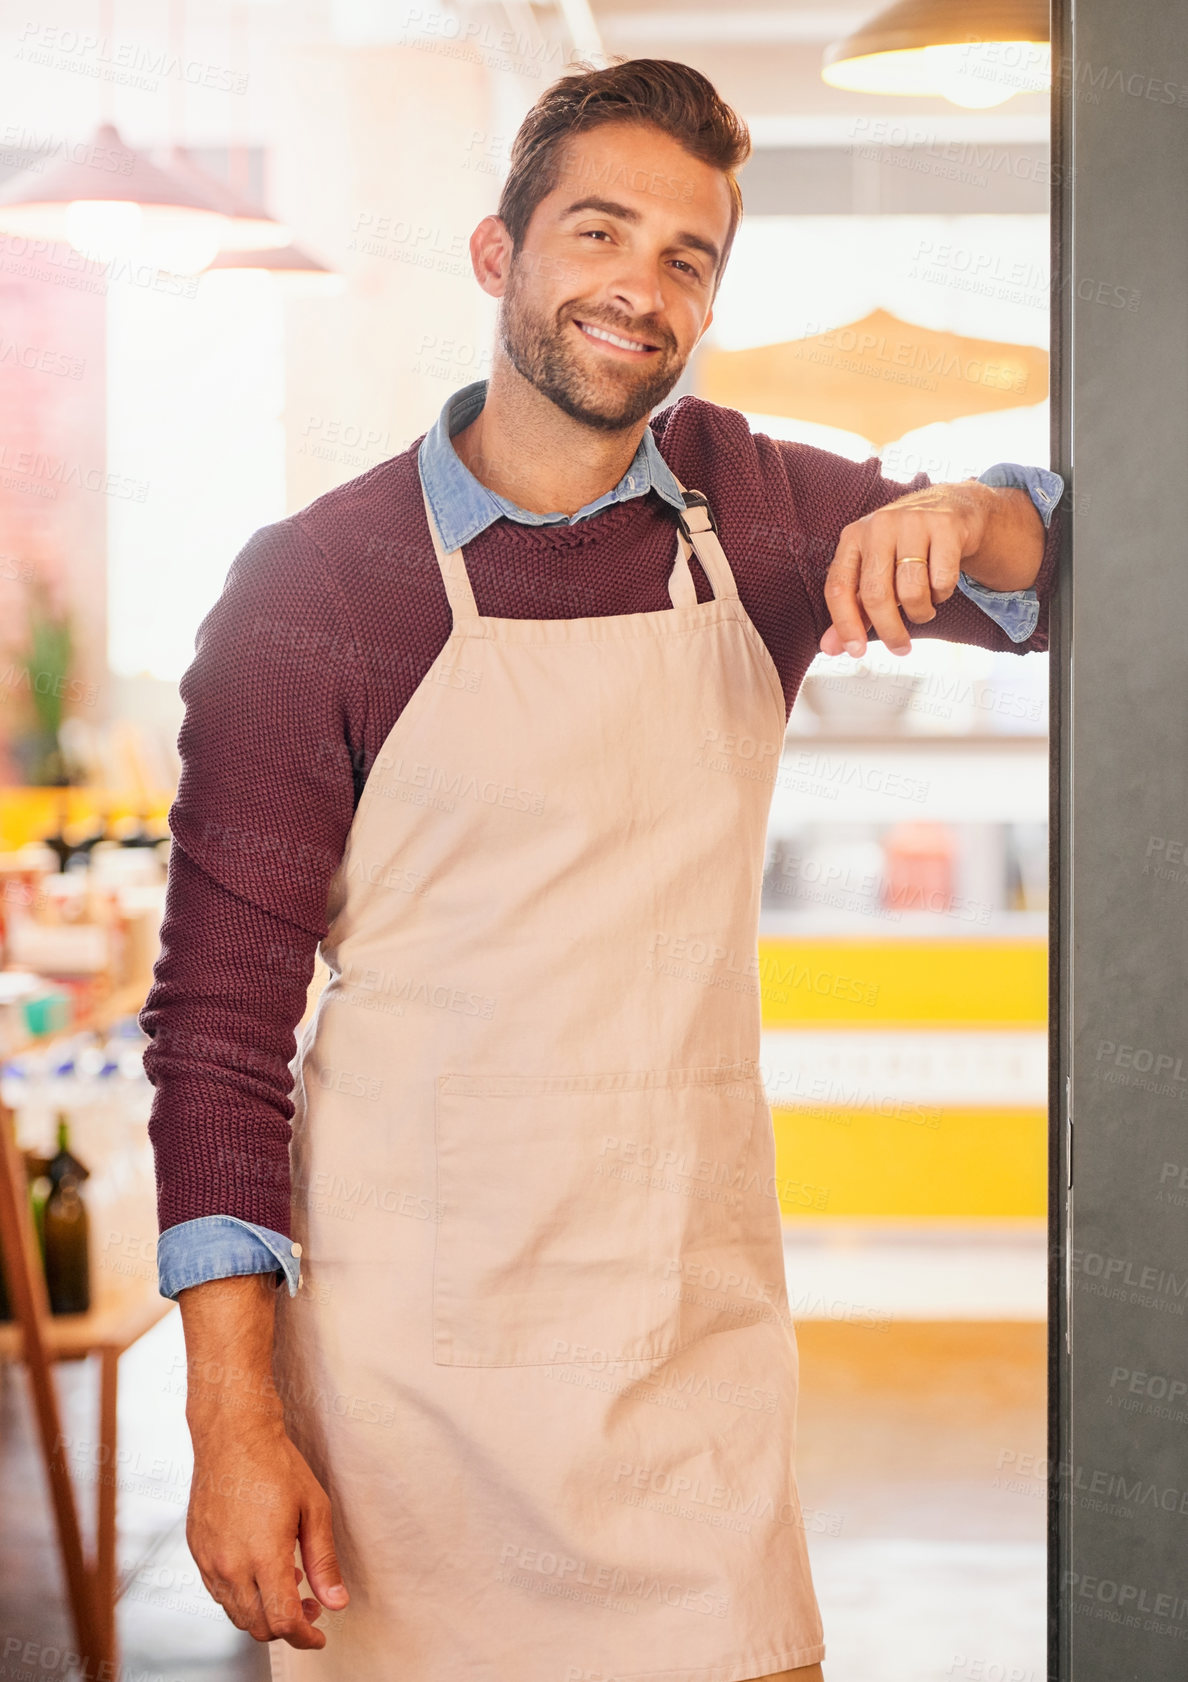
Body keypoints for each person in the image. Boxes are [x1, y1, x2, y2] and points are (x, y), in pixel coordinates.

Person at [143, 57, 1063, 1682]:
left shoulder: (761, 511)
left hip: (686, 1340)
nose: (642, 285)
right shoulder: (314, 587)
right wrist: (233, 1414)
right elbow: (218, 1030)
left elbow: (1062, 585)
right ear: (500, 255)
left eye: (688, 256)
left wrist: (983, 510)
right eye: (599, 231)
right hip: (399, 1379)